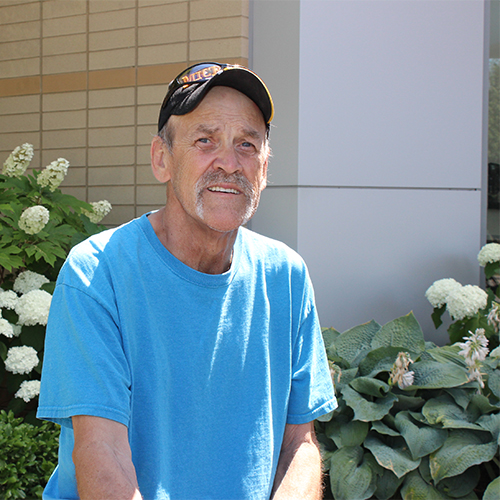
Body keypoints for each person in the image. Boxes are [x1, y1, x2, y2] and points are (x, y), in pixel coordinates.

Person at [37, 62, 336, 500]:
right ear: (162, 159)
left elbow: (299, 445)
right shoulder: (97, 273)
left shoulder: (285, 276)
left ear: (264, 168)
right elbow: (103, 454)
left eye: (247, 144)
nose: (229, 163)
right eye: (205, 140)